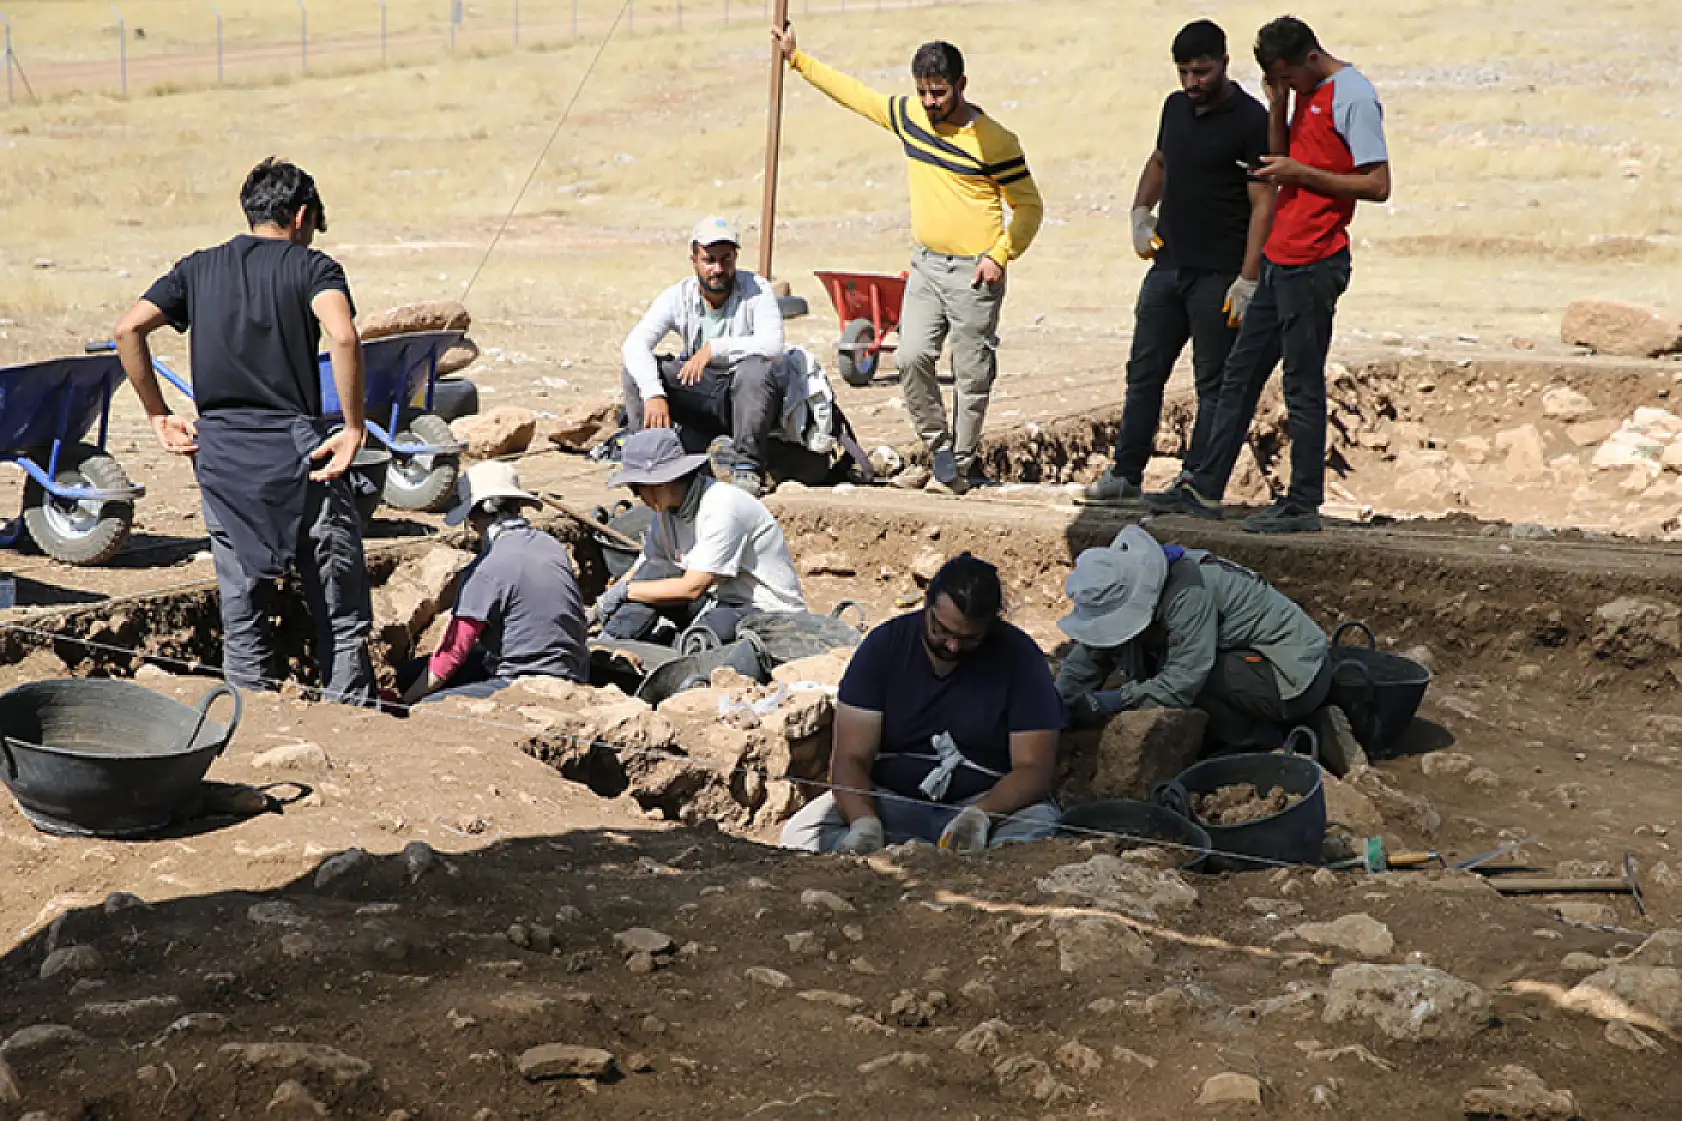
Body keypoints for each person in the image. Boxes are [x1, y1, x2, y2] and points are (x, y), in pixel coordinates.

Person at [115, 158, 376, 705]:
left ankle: (251, 718)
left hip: (223, 456)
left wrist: (157, 415)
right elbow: (344, 337)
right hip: (300, 452)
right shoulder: (313, 267)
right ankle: (352, 719)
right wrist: (352, 426)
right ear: (302, 214)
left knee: (242, 608)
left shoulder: (198, 268)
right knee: (339, 607)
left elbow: (128, 327)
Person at [775, 25, 1043, 496]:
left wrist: (1000, 255)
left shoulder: (995, 141)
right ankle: (938, 446)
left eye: (938, 93)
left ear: (961, 85)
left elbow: (1030, 207)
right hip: (926, 266)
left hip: (976, 273)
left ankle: (961, 464)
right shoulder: (909, 116)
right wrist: (798, 61)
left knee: (971, 370)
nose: (930, 102)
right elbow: (856, 96)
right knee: (911, 354)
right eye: (922, 92)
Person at [1147, 15, 1389, 534]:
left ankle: (1303, 502)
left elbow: (1377, 183)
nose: (1284, 88)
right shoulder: (1300, 92)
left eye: (1287, 79)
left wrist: (1301, 175)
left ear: (1310, 58)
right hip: (1281, 256)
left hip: (1315, 260)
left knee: (1301, 381)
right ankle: (1204, 487)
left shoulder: (1351, 94)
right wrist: (1279, 106)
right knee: (1239, 375)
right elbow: (1277, 158)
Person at [1083, 20, 1273, 506]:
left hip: (1218, 275)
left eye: (1202, 72)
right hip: (1169, 268)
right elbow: (1161, 162)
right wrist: (1141, 211)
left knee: (1212, 381)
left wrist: (1248, 278)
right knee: (1144, 371)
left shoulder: (1252, 121)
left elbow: (1263, 204)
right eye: (1184, 72)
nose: (1192, 83)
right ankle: (1127, 472)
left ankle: (1195, 481)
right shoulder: (1174, 107)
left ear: (1225, 64)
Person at [781, 554, 1064, 854]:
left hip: (989, 805)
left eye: (968, 639)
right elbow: (849, 758)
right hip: (890, 800)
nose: (952, 646)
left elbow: (1034, 769)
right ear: (927, 604)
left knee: (1034, 833)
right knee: (803, 834)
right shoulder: (884, 647)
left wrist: (980, 815)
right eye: (942, 630)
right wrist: (864, 822)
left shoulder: (1019, 658)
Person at [1054, 524, 1361, 772]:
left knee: (1197, 674)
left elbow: (1184, 679)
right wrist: (1056, 705)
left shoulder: (1186, 593)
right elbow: (1093, 653)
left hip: (1294, 674)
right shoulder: (1136, 586)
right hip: (1255, 669)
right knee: (1156, 663)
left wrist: (1117, 699)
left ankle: (1260, 745)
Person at [396, 462, 589, 706]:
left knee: (431, 707)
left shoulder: (486, 569)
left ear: (475, 516)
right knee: (410, 674)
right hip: (574, 670)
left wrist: (405, 703)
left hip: (523, 679)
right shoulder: (551, 545)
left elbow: (452, 654)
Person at [593, 428, 806, 647]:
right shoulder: (666, 513)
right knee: (653, 576)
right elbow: (646, 568)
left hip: (766, 612)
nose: (636, 496)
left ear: (661, 482)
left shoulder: (723, 507)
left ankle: (632, 647)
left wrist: (625, 592)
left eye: (637, 488)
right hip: (718, 601)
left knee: (701, 637)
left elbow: (692, 588)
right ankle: (611, 641)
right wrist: (603, 605)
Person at [621, 217, 786, 498]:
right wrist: (654, 393)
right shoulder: (678, 296)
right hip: (701, 388)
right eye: (709, 260)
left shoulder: (756, 289)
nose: (718, 269)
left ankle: (747, 467)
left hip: (746, 396)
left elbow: (772, 345)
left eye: (726, 259)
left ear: (736, 258)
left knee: (756, 369)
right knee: (638, 372)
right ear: (694, 260)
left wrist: (715, 349)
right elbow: (634, 344)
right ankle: (647, 462)